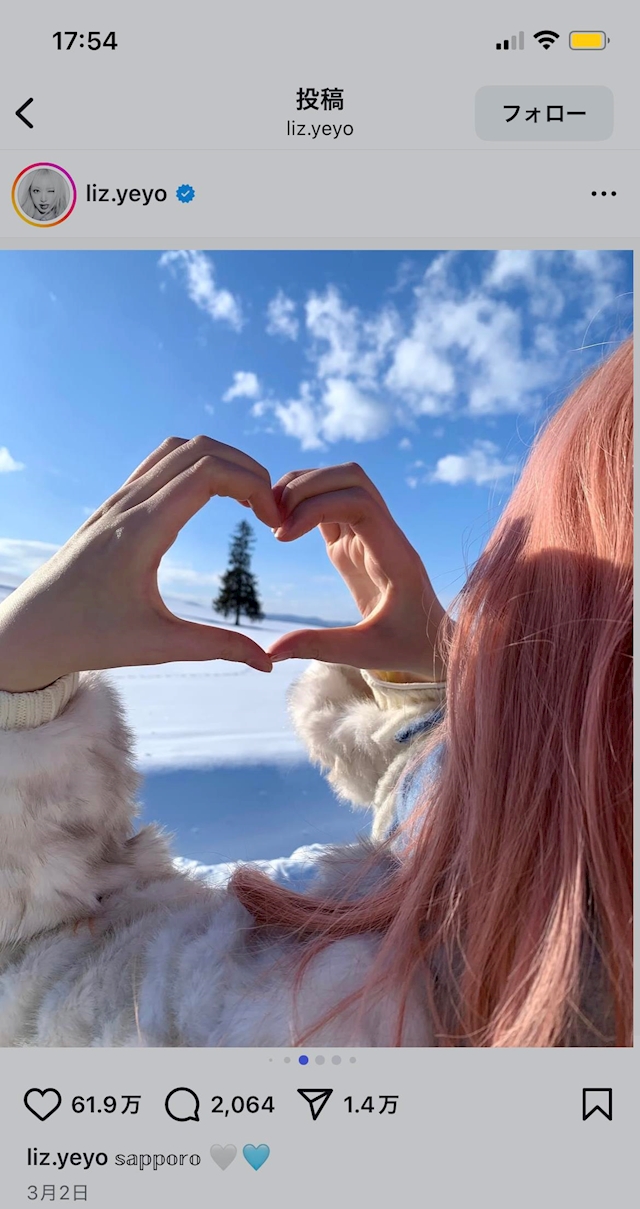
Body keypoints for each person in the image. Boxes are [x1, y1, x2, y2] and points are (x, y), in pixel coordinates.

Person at [0, 339, 632, 1047]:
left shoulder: (352, 1011)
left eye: (526, 561)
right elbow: (491, 844)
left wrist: (17, 678)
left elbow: (48, 985)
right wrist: (430, 698)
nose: (488, 589)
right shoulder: (576, 913)